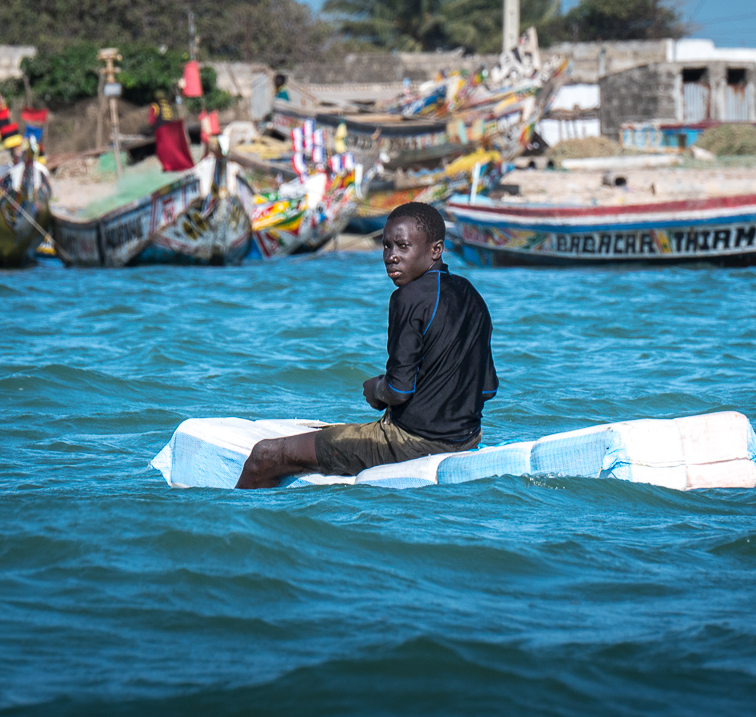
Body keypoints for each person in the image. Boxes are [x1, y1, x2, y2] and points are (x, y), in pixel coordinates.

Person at [236, 202, 497, 488]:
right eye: (386, 246)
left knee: (265, 455)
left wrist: (375, 389)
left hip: (412, 444)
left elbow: (398, 390)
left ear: (436, 250)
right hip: (468, 438)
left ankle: (237, 526)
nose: (391, 257)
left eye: (403, 246)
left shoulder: (408, 297)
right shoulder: (472, 296)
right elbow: (487, 388)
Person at [147, 89, 194, 172]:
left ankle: (168, 165)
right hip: (171, 129)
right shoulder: (168, 105)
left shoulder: (155, 106)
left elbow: (151, 120)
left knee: (162, 149)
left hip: (161, 130)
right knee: (173, 148)